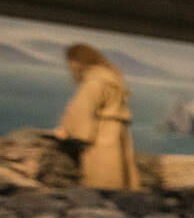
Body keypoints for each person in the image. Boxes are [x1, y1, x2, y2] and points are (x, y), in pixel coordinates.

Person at [54, 43, 140, 189]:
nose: (69, 66)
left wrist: (68, 132)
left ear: (77, 61)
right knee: (119, 174)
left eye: (70, 61)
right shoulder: (111, 78)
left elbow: (82, 110)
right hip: (117, 133)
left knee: (102, 178)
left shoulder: (95, 80)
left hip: (102, 134)